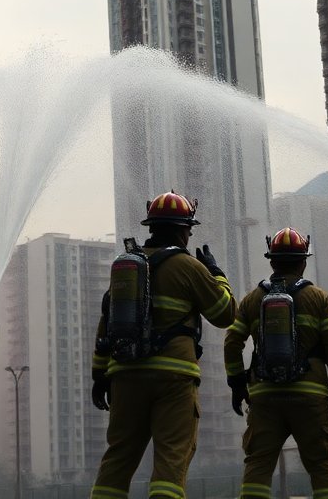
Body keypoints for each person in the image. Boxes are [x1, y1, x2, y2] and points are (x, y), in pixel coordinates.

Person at [90, 191, 236, 499]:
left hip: (125, 375)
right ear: (184, 229)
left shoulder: (127, 267)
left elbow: (107, 321)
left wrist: (99, 375)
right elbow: (225, 314)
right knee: (171, 459)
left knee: (118, 458)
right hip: (173, 378)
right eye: (189, 229)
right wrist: (217, 274)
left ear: (151, 227)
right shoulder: (187, 265)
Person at [224, 227, 328, 499]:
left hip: (265, 395)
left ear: (272, 261)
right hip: (310, 395)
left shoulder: (252, 299)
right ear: (304, 261)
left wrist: (237, 384)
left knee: (258, 464)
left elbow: (232, 343)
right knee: (320, 464)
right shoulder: (318, 298)